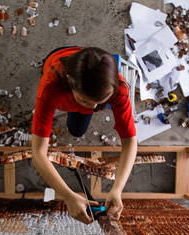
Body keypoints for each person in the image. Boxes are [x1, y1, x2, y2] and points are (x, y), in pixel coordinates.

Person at [32, 46, 137, 225]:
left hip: (81, 80)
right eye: (85, 100)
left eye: (101, 102)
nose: (94, 108)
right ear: (69, 81)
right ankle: (48, 60)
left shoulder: (118, 89)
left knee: (77, 130)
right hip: (57, 60)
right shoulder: (50, 87)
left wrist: (117, 189)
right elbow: (38, 152)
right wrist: (67, 195)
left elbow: (130, 142)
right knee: (48, 63)